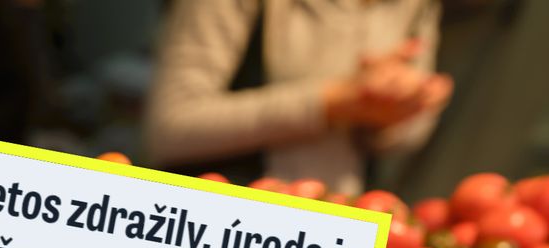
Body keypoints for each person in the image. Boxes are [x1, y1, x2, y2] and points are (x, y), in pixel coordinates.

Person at [144, 0, 453, 194]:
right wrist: (329, 103)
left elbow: (404, 139)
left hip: (333, 228)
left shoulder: (418, 6)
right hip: (221, 225)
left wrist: (400, 110)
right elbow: (171, 126)